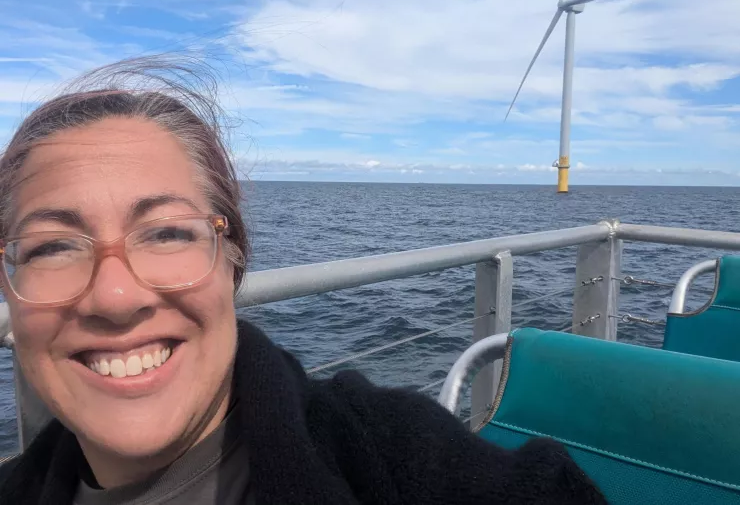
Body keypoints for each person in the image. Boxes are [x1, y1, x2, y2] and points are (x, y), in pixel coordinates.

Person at [0, 56, 606, 504]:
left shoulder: (394, 459)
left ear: (232, 258)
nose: (114, 295)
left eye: (166, 233)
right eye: (54, 246)